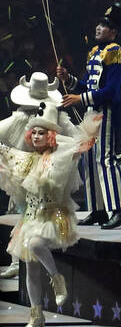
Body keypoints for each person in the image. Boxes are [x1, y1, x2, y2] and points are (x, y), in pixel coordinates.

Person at [0, 105, 102, 327]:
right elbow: (4, 152)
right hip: (31, 218)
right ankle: (36, 317)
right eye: (34, 133)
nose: (36, 137)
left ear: (51, 136)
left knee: (35, 244)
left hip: (54, 216)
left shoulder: (61, 156)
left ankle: (57, 279)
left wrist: (83, 130)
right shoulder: (27, 159)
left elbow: (82, 145)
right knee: (31, 266)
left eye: (42, 133)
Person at [58, 3, 121, 230]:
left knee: (105, 159)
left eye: (105, 26)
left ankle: (120, 210)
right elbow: (86, 85)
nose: (99, 28)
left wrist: (81, 99)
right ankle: (97, 210)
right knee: (88, 159)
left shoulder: (115, 51)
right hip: (92, 110)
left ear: (114, 32)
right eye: (99, 24)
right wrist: (69, 79)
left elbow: (111, 90)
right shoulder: (94, 52)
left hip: (107, 110)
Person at [0, 73, 76, 281]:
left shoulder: (55, 116)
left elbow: (72, 134)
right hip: (23, 169)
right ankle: (18, 261)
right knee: (24, 214)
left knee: (43, 209)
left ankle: (41, 259)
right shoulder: (20, 117)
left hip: (48, 167)